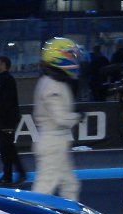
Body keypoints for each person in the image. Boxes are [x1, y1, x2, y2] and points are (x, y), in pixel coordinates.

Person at [31, 37, 82, 201]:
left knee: (70, 185)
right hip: (52, 141)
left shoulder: (53, 81)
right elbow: (60, 118)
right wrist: (78, 116)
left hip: (56, 141)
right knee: (43, 191)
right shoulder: (52, 84)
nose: (73, 58)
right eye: (70, 55)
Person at [0, 56, 26, 185]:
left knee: (7, 148)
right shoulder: (1, 80)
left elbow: (5, 102)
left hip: (8, 120)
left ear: (4, 65)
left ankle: (12, 175)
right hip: (5, 119)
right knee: (7, 148)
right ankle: (10, 175)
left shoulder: (7, 80)